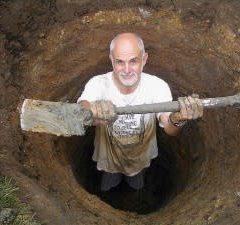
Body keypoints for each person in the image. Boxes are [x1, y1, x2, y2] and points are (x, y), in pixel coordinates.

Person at [77, 32, 203, 191]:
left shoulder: (157, 87)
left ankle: (135, 192)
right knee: (109, 182)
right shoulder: (99, 84)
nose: (127, 69)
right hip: (109, 158)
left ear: (144, 59)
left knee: (136, 182)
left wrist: (178, 118)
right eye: (120, 62)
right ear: (111, 60)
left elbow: (169, 127)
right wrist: (89, 110)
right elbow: (82, 107)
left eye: (133, 61)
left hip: (140, 157)